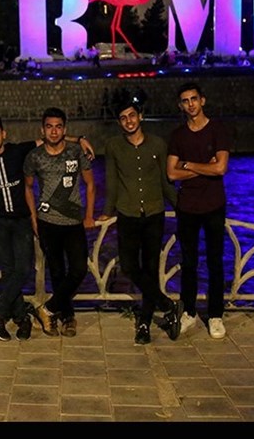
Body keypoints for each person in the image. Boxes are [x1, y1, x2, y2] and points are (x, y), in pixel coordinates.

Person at [0, 115, 94, 342]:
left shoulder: (18, 151)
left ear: (4, 134)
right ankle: (22, 317)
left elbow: (51, 138)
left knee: (24, 269)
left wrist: (79, 139)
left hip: (21, 220)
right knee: (9, 271)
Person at [98, 89, 182, 345]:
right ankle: (167, 305)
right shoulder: (113, 146)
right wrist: (107, 211)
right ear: (119, 122)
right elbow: (112, 182)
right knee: (129, 266)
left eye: (132, 116)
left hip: (154, 213)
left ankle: (144, 323)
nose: (129, 121)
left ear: (140, 116)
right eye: (123, 118)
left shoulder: (158, 144)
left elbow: (166, 181)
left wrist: (180, 207)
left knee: (150, 268)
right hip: (127, 213)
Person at [166, 82, 231, 340]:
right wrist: (205, 166)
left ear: (202, 100)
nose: (190, 104)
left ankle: (215, 315)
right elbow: (171, 174)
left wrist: (189, 165)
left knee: (215, 261)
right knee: (189, 262)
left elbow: (221, 168)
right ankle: (189, 312)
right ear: (180, 105)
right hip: (187, 207)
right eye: (185, 100)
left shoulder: (218, 130)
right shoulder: (178, 135)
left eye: (194, 99)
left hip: (214, 204)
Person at [23, 107, 96, 337]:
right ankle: (67, 316)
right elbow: (28, 188)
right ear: (42, 130)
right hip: (47, 222)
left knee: (79, 269)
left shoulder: (76, 151)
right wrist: (33, 218)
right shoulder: (34, 156)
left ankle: (46, 309)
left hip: (73, 222)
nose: (53, 131)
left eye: (58, 127)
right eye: (49, 127)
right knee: (57, 272)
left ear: (64, 129)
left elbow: (90, 184)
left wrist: (89, 215)